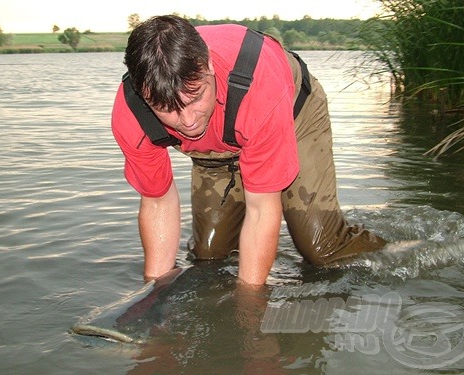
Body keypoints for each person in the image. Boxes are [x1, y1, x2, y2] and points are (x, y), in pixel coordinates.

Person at [111, 15, 386, 285]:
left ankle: (396, 250)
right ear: (142, 93)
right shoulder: (132, 115)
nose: (188, 121)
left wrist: (249, 308)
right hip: (223, 136)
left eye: (195, 98)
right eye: (167, 109)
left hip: (291, 113)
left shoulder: (260, 90)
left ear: (208, 65)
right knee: (209, 255)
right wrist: (153, 295)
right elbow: (158, 202)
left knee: (319, 246)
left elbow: (262, 208)